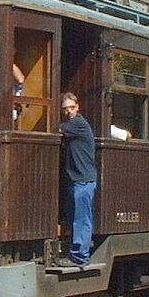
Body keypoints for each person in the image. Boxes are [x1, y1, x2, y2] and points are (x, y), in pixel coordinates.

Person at [57, 92, 97, 268]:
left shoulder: (78, 123)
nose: (69, 112)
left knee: (81, 219)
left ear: (77, 107)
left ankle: (80, 257)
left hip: (83, 180)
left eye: (71, 108)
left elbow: (58, 129)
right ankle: (75, 254)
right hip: (76, 179)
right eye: (65, 109)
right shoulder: (72, 125)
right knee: (75, 218)